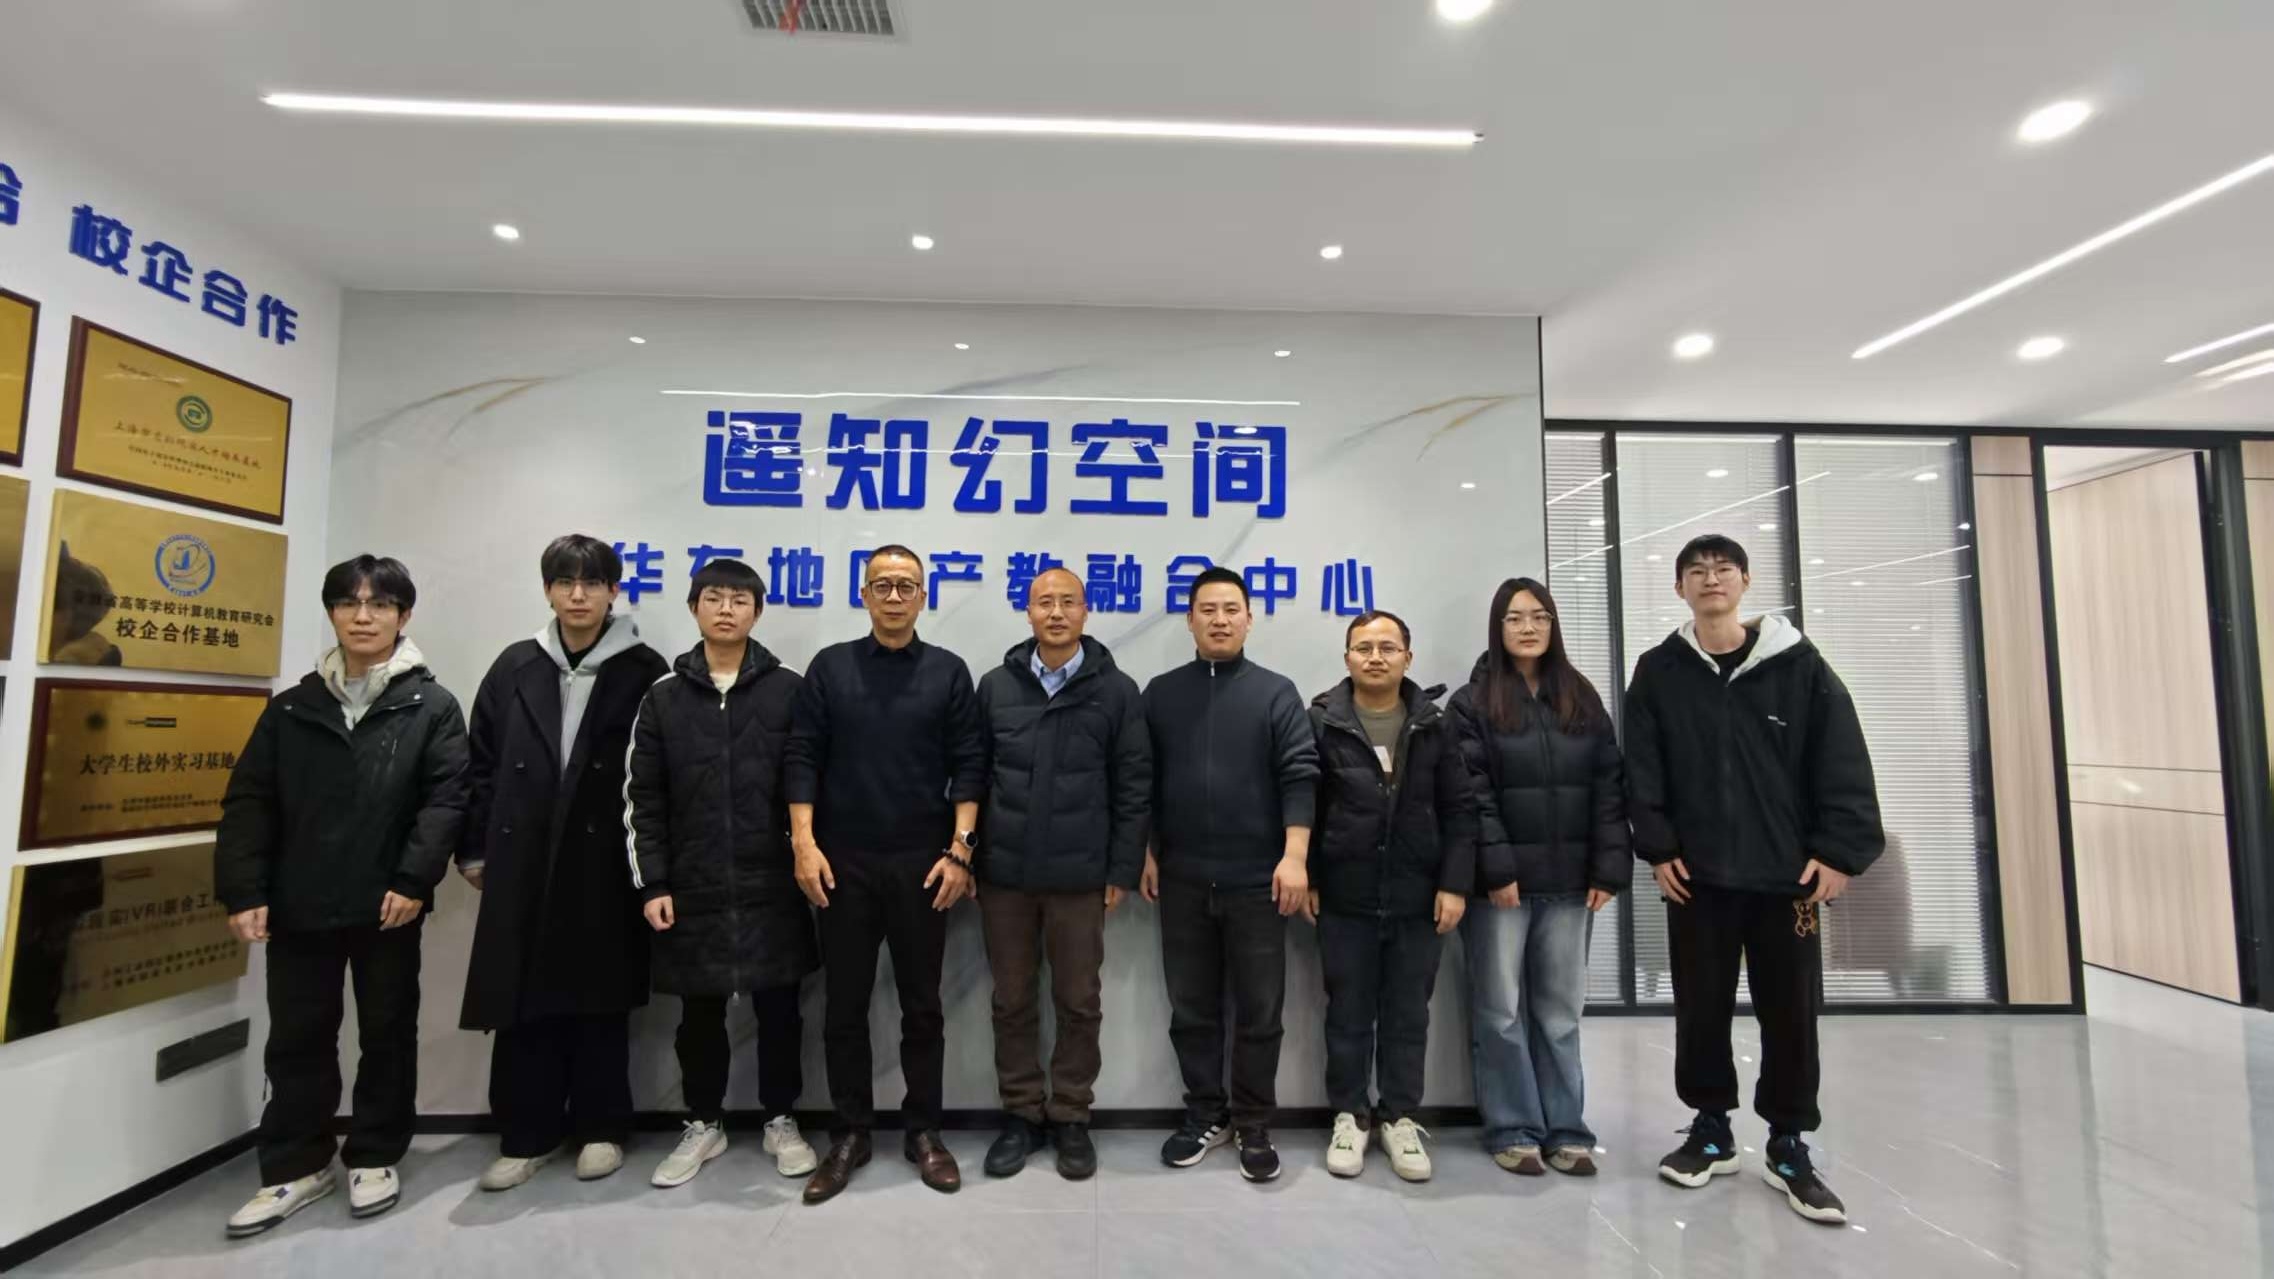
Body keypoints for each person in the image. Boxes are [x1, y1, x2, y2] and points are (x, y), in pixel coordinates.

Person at [1625, 534, 1883, 1225]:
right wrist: (1657, 847)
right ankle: (1710, 1128)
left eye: (1723, 570)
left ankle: (1788, 1141)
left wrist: (1838, 852)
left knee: (1790, 1011)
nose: (1710, 580)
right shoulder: (1659, 671)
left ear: (1745, 581)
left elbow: (1841, 759)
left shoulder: (1799, 666)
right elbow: (1642, 768)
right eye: (1696, 571)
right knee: (1700, 1005)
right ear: (1679, 588)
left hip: (1786, 877)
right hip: (1697, 876)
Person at [214, 555, 469, 1238]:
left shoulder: (432, 706)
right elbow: (250, 802)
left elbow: (446, 800)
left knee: (387, 1032)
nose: (363, 616)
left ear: (402, 616)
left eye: (379, 604)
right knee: (297, 1036)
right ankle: (297, 1164)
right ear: (331, 612)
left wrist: (414, 880)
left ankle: (376, 1153)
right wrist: (245, 889)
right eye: (350, 603)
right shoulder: (292, 708)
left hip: (388, 904)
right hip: (299, 900)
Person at [458, 536, 668, 1192]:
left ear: (614, 591)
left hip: (605, 856)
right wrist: (474, 846)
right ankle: (527, 1132)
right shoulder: (516, 664)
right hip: (522, 856)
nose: (578, 595)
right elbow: (480, 762)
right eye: (565, 582)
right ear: (548, 590)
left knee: (600, 997)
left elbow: (659, 774)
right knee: (521, 998)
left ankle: (602, 1127)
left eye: (592, 582)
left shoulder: (644, 669)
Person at [786, 545, 985, 1205]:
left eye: (906, 585)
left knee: (922, 1005)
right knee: (843, 1005)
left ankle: (923, 1130)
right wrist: (803, 843)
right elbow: (802, 756)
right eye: (882, 585)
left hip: (924, 864)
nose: (895, 596)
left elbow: (970, 763)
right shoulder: (830, 667)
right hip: (840, 863)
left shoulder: (947, 671)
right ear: (863, 593)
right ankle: (850, 1133)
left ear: (923, 596)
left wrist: (960, 851)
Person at [625, 557, 822, 1188]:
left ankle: (780, 1119)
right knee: (699, 1015)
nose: (727, 609)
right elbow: (642, 797)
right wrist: (654, 882)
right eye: (713, 598)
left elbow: (809, 778)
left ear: (757, 612)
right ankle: (702, 1123)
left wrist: (804, 852)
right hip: (694, 883)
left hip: (772, 881)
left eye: (740, 600)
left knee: (780, 1010)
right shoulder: (663, 696)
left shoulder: (788, 689)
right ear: (694, 608)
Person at [1141, 566, 1319, 1183]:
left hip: (1259, 880)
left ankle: (1253, 1121)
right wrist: (1144, 849)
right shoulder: (1161, 693)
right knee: (1191, 1008)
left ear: (1249, 618)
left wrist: (1295, 855)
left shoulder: (1275, 692)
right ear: (1189, 619)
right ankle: (1204, 1114)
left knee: (1260, 1010)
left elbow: (1300, 775)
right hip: (1182, 878)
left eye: (1231, 609)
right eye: (1208, 610)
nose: (1220, 620)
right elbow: (1141, 780)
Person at [974, 566, 1151, 1181]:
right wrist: (968, 856)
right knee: (1011, 1000)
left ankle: (1071, 1114)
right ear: (1027, 612)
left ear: (1086, 611)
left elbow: (1133, 785)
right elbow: (973, 775)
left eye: (1068, 601)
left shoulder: (1117, 690)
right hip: (1004, 875)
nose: (1055, 612)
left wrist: (1121, 867)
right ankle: (1022, 1114)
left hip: (1081, 877)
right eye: (1044, 602)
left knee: (1079, 1001)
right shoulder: (996, 686)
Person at [1446, 577, 1626, 1179]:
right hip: (1501, 888)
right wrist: (1497, 868)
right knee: (1500, 1011)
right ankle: (1513, 1127)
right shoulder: (1473, 703)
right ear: (1497, 628)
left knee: (1560, 1012)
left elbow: (1609, 786)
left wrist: (1608, 867)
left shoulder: (1580, 696)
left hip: (1572, 884)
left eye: (1540, 617)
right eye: (1515, 618)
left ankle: (1567, 1129)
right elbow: (1471, 795)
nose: (1528, 628)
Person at [1305, 610, 1475, 1183]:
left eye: (1387, 647)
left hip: (1418, 896)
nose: (1375, 657)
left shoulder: (1434, 724)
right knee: (1347, 1014)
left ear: (1408, 656)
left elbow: (1460, 808)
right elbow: (1307, 805)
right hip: (1344, 897)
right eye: (1363, 648)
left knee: (1408, 1015)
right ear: (1346, 657)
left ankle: (1400, 1118)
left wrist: (1454, 883)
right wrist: (1311, 877)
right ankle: (1349, 1116)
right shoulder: (1323, 721)